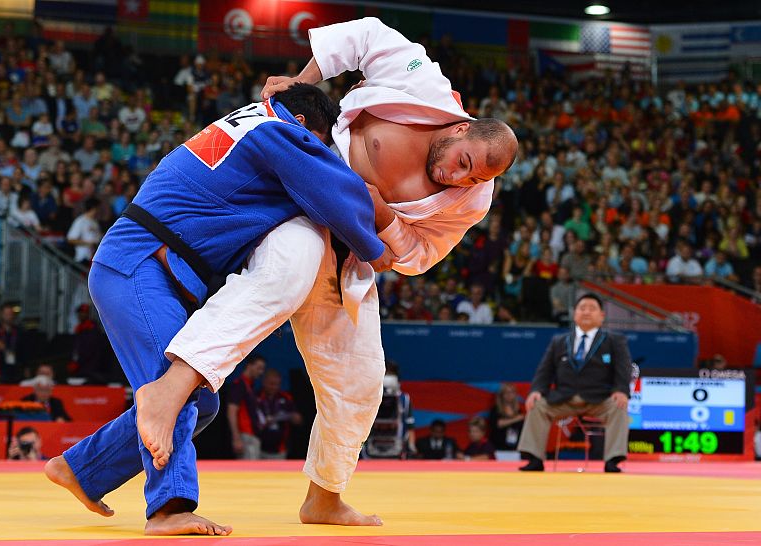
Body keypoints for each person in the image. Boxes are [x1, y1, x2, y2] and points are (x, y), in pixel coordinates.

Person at [135, 17, 516, 526]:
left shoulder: (472, 198)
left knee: (361, 381)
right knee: (286, 274)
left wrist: (383, 217)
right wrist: (306, 81)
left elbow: (420, 255)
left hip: (352, 250)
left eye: (475, 175)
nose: (459, 176)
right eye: (465, 160)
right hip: (297, 202)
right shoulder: (424, 85)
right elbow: (364, 36)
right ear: (461, 126)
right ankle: (172, 386)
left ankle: (324, 496)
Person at [44, 84, 390, 537]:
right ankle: (169, 509)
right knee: (176, 391)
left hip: (144, 267)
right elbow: (333, 187)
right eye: (320, 144)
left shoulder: (249, 126)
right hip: (139, 265)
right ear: (306, 125)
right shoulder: (277, 130)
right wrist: (374, 243)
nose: (319, 153)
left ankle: (83, 471)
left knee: (202, 400)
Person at [517, 293, 632, 473]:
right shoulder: (559, 341)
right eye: (582, 308)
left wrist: (621, 391)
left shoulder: (614, 340)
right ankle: (534, 458)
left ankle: (613, 460)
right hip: (564, 398)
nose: (586, 312)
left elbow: (623, 370)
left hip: (599, 399)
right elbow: (544, 370)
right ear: (574, 314)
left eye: (592, 308)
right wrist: (536, 390)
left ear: (602, 315)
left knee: (619, 407)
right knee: (537, 405)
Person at [227, 355, 265, 460]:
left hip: (252, 436)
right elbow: (231, 411)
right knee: (251, 474)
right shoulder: (239, 385)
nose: (261, 372)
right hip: (245, 436)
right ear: (249, 366)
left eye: (262, 369)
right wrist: (236, 438)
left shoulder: (250, 386)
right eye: (259, 368)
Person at [257, 368, 301, 459]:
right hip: (258, 448)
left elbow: (298, 419)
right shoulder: (255, 396)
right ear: (264, 382)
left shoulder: (286, 397)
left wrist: (292, 417)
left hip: (280, 449)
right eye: (271, 384)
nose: (274, 387)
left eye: (277, 384)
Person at [487, 383, 524, 452]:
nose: (509, 395)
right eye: (507, 392)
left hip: (514, 447)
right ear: (502, 395)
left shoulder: (518, 411)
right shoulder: (496, 409)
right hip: (498, 446)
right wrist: (516, 419)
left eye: (512, 392)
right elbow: (498, 423)